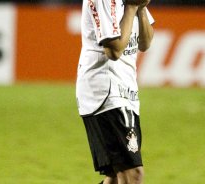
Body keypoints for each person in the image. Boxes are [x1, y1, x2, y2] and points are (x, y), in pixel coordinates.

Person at [76, 0, 154, 183]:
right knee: (132, 174)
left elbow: (145, 42)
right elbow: (114, 50)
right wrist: (132, 8)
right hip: (106, 92)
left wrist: (141, 9)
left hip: (126, 92)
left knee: (115, 176)